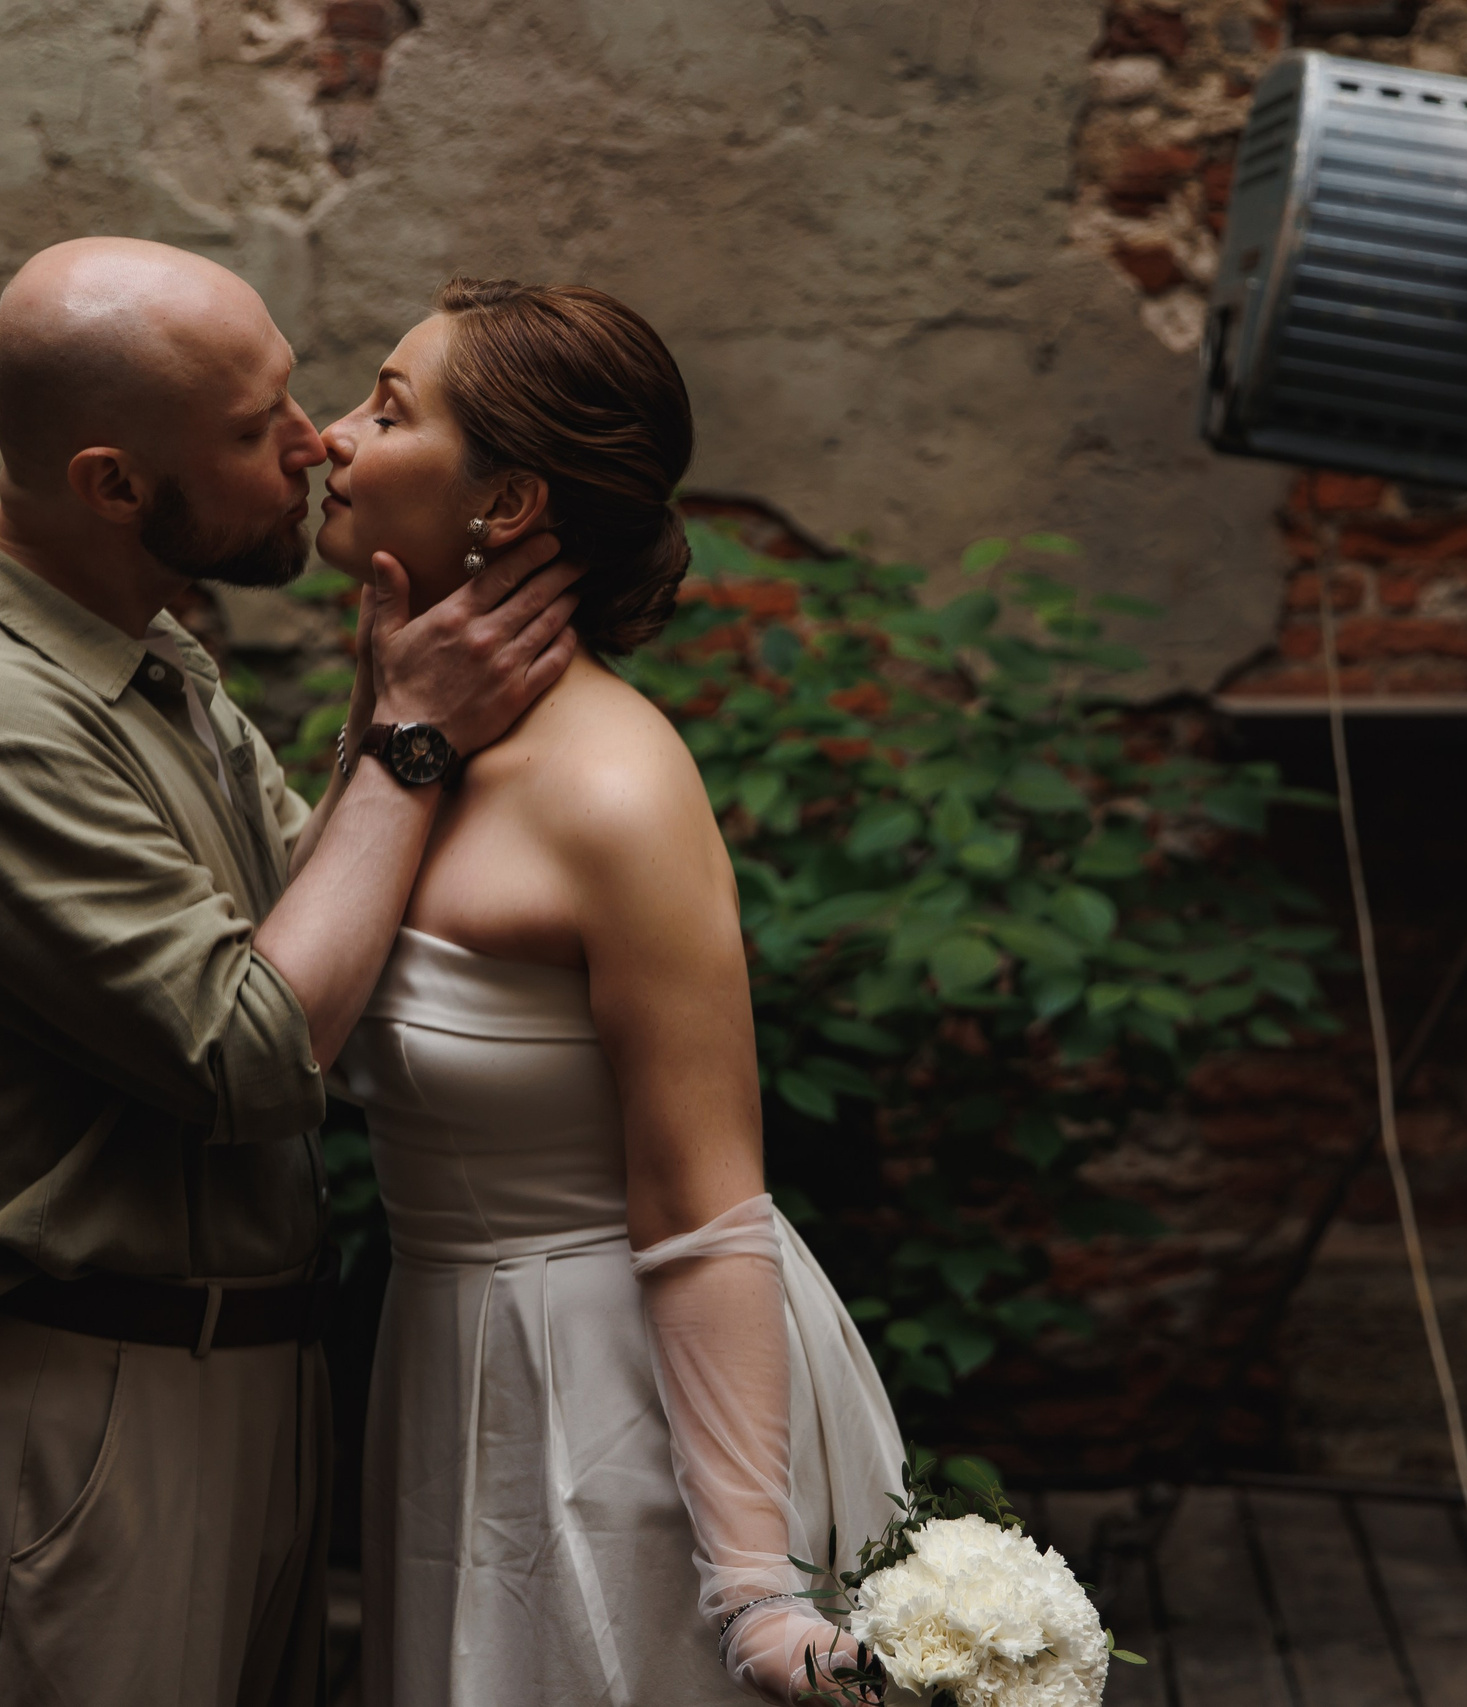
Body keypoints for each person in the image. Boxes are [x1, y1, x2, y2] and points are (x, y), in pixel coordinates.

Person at [0, 238, 582, 1707]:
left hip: (244, 1381)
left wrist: (386, 720)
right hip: (87, 1417)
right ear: (116, 484)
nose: (313, 446)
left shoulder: (145, 660)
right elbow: (260, 1053)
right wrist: (411, 745)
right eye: (255, 431)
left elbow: (331, 946)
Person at [312, 278, 905, 1706]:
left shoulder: (617, 791)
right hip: (447, 1368)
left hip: (620, 1410)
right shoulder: (409, 721)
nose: (332, 437)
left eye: (387, 410)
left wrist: (754, 1590)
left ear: (507, 503)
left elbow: (704, 1203)